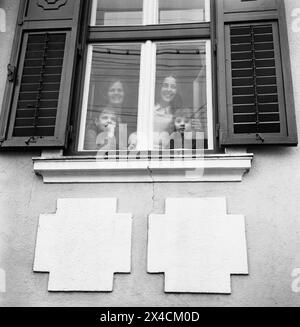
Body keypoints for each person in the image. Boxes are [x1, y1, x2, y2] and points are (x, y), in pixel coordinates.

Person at [84, 80, 124, 150]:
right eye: (112, 90)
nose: (116, 93)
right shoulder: (92, 131)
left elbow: (122, 149)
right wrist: (110, 134)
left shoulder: (121, 128)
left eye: (119, 90)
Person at [153, 75, 182, 149]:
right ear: (160, 87)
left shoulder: (177, 114)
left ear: (176, 91)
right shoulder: (149, 108)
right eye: (165, 85)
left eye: (173, 87)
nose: (169, 89)